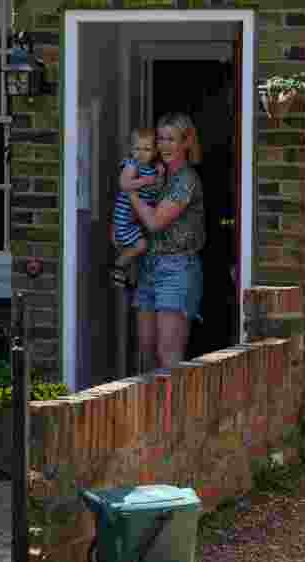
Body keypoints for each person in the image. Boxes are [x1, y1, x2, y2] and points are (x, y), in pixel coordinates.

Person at [127, 112, 206, 371]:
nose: (164, 145)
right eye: (160, 139)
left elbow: (154, 222)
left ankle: (173, 412)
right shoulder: (158, 176)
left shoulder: (186, 180)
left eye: (171, 139)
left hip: (177, 268)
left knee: (168, 356)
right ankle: (144, 412)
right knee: (145, 352)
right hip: (150, 265)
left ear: (186, 142)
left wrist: (131, 192)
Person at [110, 128, 165, 287]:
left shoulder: (152, 169)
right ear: (131, 150)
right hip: (125, 216)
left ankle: (125, 274)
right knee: (141, 245)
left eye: (147, 149)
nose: (141, 153)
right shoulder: (132, 164)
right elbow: (124, 183)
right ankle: (117, 267)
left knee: (139, 249)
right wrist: (144, 181)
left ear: (154, 151)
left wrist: (159, 176)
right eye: (137, 149)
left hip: (136, 219)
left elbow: (157, 191)